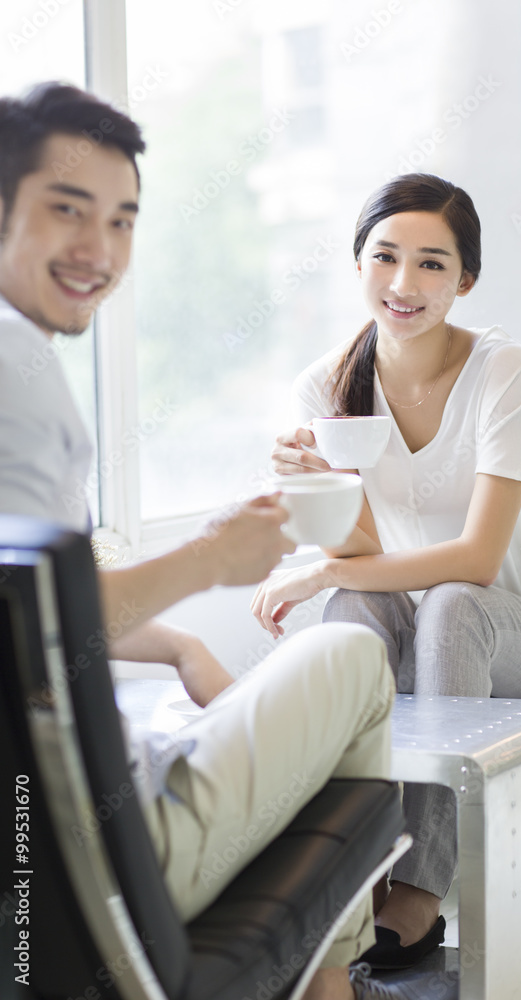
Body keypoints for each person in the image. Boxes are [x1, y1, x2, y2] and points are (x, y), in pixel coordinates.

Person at [0, 82, 402, 1000]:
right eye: (66, 211)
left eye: (123, 220)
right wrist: (211, 560)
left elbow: (25, 609)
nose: (98, 251)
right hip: (93, 864)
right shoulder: (16, 368)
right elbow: (45, 620)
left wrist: (181, 642)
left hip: (48, 849)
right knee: (350, 655)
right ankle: (333, 986)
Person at [253, 172, 521, 970]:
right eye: (384, 256)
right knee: (354, 612)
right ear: (357, 264)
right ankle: (348, 862)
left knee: (451, 602)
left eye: (430, 263)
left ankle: (420, 885)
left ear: (465, 279)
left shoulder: (502, 370)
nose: (402, 283)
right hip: (429, 623)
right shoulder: (324, 385)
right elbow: (356, 557)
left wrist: (315, 574)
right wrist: (314, 489)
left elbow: (479, 561)